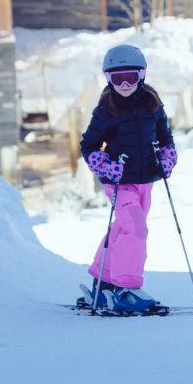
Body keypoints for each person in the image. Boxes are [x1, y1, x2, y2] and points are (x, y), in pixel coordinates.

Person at [80, 43, 177, 313]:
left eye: (130, 77)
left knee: (124, 229)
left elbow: (165, 137)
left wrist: (167, 158)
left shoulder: (153, 105)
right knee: (135, 227)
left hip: (146, 179)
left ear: (142, 75)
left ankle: (103, 283)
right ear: (108, 79)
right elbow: (88, 146)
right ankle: (126, 288)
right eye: (117, 78)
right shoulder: (106, 110)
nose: (124, 84)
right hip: (118, 182)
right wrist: (106, 167)